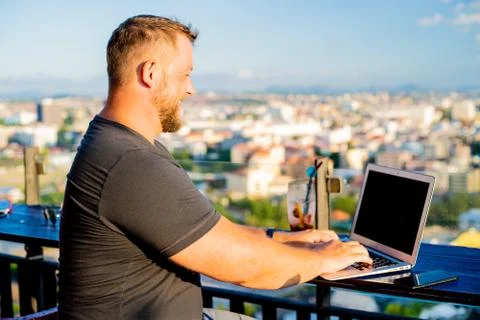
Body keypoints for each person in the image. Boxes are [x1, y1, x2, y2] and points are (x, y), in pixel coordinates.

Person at [58, 15, 372, 320]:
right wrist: (324, 258)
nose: (190, 88)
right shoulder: (131, 163)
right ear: (150, 74)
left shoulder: (119, 145)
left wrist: (290, 240)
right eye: (185, 74)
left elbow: (218, 234)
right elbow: (245, 267)